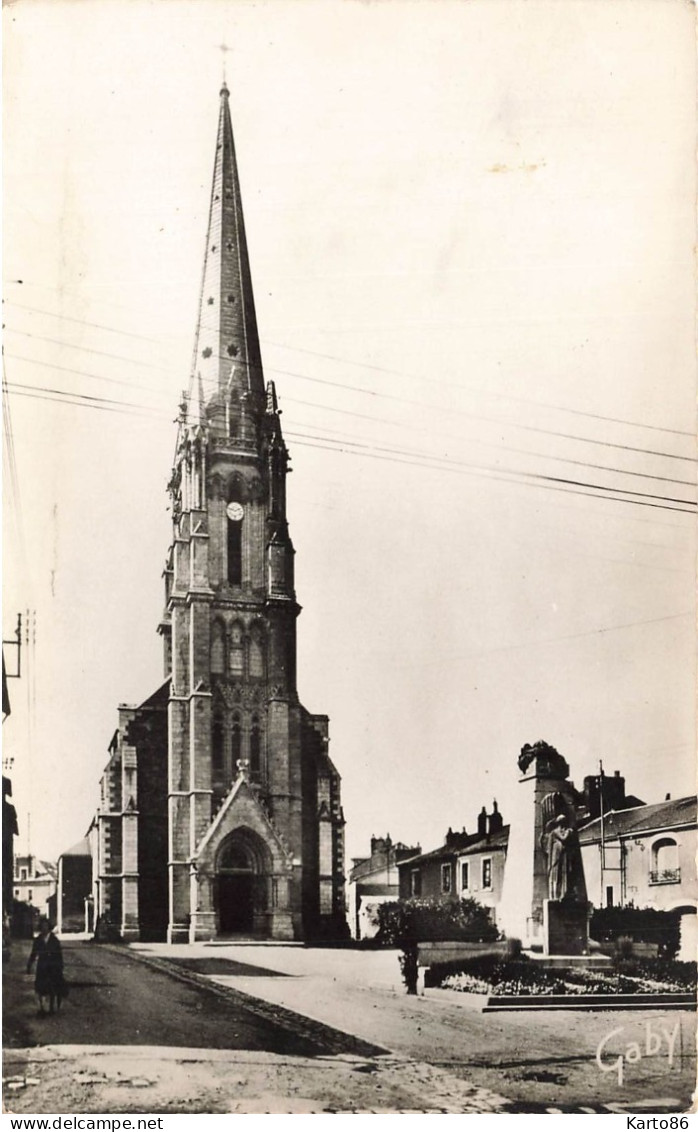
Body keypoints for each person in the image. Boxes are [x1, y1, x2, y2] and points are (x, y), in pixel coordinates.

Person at [26, 917, 64, 1015]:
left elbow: (59, 954)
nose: (44, 928)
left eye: (46, 926)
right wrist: (30, 964)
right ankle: (42, 1008)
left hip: (52, 966)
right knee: (40, 988)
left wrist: (60, 966)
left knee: (52, 987)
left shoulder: (54, 940)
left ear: (49, 927)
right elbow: (33, 953)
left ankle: (51, 1008)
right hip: (42, 966)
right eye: (42, 926)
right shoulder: (38, 940)